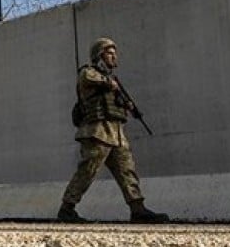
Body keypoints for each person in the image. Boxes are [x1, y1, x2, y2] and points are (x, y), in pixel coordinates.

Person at [58, 37, 169, 224]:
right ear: (99, 56)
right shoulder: (89, 73)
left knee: (127, 170)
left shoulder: (112, 80)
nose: (114, 56)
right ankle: (67, 208)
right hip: (97, 132)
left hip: (116, 133)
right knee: (88, 170)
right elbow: (88, 78)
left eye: (114, 53)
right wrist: (109, 83)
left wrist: (126, 105)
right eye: (109, 53)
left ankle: (137, 208)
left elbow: (114, 100)